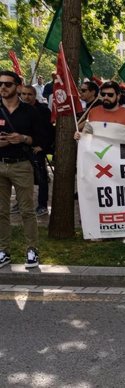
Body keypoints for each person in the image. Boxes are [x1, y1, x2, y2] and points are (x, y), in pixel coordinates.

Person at [74, 81, 125, 244]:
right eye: (103, 94)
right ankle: (98, 230)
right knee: (100, 197)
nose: (106, 97)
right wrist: (81, 137)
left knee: (122, 198)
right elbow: (88, 132)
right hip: (98, 166)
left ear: (118, 96)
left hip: (121, 166)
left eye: (110, 95)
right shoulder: (94, 112)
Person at [0, 70, 41, 269]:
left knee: (27, 211)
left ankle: (32, 250)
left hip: (21, 164)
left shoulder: (29, 111)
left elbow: (39, 138)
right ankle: (3, 251)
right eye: (0, 84)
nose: (3, 88)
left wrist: (22, 138)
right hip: (0, 164)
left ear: (17, 86)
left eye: (7, 84)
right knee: (1, 211)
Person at [19, 85, 53, 217]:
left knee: (42, 178)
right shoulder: (18, 109)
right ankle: (19, 203)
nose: (26, 97)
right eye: (24, 94)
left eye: (29, 94)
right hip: (21, 149)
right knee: (21, 178)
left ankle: (42, 205)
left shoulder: (44, 110)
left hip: (37, 149)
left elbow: (50, 131)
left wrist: (43, 147)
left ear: (35, 95)